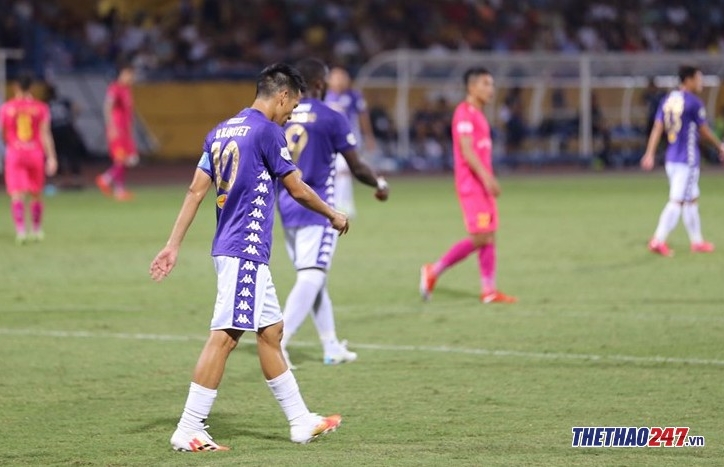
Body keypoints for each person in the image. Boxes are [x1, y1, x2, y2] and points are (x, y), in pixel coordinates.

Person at [149, 63, 349, 452]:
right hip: (245, 248)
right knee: (224, 337)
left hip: (235, 247)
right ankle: (189, 427)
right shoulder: (267, 131)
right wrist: (333, 214)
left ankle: (300, 421)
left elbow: (194, 191)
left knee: (271, 332)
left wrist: (173, 244)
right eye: (292, 106)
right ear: (282, 95)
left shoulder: (221, 130)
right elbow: (297, 188)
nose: (291, 115)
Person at [279, 58, 389, 369]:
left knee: (315, 278)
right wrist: (380, 184)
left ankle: (330, 345)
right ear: (317, 84)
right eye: (325, 80)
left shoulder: (280, 115)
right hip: (319, 208)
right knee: (312, 275)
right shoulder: (332, 116)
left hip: (287, 205)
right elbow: (356, 167)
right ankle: (278, 342)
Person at [419, 67, 516, 304]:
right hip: (472, 186)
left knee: (489, 236)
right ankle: (434, 270)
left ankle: (489, 290)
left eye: (491, 84)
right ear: (471, 87)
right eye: (485, 84)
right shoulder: (464, 113)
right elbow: (466, 149)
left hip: (481, 186)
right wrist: (487, 177)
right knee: (481, 236)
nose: (490, 89)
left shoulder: (479, 115)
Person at [641, 65, 724, 256]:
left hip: (671, 158)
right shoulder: (693, 103)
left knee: (691, 199)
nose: (701, 82)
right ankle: (658, 240)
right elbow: (703, 131)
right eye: (698, 78)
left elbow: (657, 127)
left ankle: (697, 242)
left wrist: (650, 153)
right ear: (688, 80)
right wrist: (720, 146)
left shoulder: (668, 100)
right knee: (677, 201)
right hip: (687, 160)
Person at [0, 73, 58, 244]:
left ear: (16, 87)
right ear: (32, 87)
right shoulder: (41, 108)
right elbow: (45, 133)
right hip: (35, 154)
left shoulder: (6, 108)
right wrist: (52, 157)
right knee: (36, 194)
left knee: (17, 195)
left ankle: (21, 231)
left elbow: (2, 133)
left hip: (15, 154)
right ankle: (37, 229)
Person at [324, 66, 377, 218]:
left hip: (349, 139)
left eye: (343, 76)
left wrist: (369, 137)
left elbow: (363, 117)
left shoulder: (354, 96)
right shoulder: (325, 96)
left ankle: (343, 204)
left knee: (343, 170)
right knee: (335, 172)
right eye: (337, 76)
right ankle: (337, 204)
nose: (341, 80)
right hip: (328, 141)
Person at [96, 64, 137, 201]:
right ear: (123, 73)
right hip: (117, 130)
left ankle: (107, 180)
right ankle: (116, 188)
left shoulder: (127, 90)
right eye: (130, 75)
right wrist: (111, 127)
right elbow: (107, 107)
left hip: (125, 131)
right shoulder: (115, 88)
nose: (132, 78)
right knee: (121, 159)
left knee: (129, 160)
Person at [47, 84, 86, 189]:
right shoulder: (63, 101)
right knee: (72, 154)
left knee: (58, 155)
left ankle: (58, 180)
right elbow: (78, 107)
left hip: (55, 131)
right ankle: (76, 178)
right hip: (67, 129)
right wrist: (72, 118)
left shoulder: (47, 104)